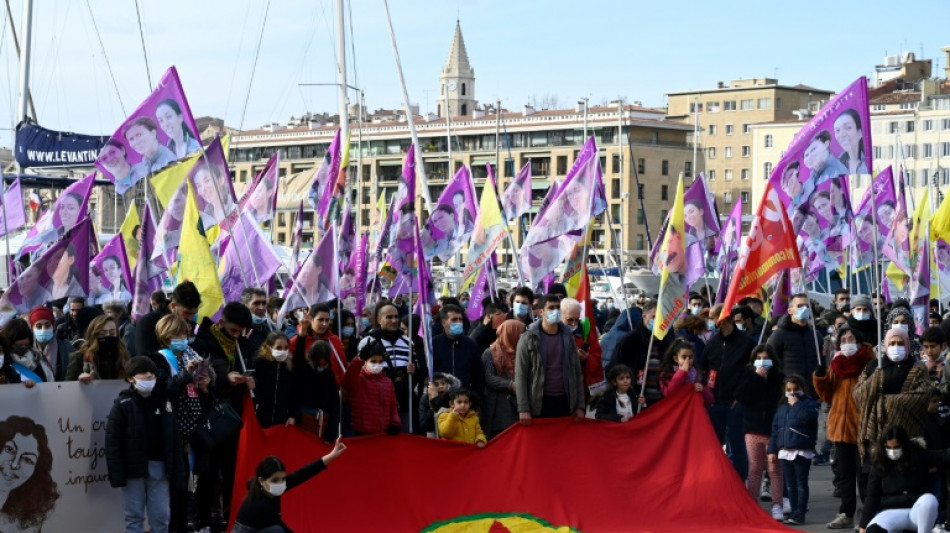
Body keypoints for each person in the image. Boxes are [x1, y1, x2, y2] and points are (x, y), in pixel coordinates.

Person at [191, 302, 255, 528]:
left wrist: (247, 380)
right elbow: (200, 377)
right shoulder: (205, 342)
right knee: (207, 471)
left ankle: (228, 515)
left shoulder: (242, 344)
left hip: (232, 416)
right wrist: (224, 379)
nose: (237, 335)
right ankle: (202, 517)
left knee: (231, 469)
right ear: (221, 322)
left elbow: (249, 364)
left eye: (241, 331)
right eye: (233, 330)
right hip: (209, 415)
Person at [105, 356, 186, 533]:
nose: (149, 376)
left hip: (160, 467)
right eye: (143, 373)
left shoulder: (164, 403)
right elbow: (113, 442)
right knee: (134, 517)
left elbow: (173, 440)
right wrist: (117, 474)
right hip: (133, 470)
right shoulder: (122, 404)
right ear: (130, 378)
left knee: (161, 516)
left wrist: (177, 469)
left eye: (152, 373)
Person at [813, 326, 875, 529]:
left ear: (859, 341)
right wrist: (820, 378)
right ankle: (846, 513)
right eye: (844, 339)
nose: (848, 342)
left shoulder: (869, 363)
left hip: (863, 428)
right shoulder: (836, 365)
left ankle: (869, 515)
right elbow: (827, 395)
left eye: (851, 338)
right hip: (840, 428)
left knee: (864, 475)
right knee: (845, 476)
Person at [232, 438, 346, 533]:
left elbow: (302, 474)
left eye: (283, 479)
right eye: (275, 480)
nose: (281, 483)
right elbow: (285, 530)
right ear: (261, 480)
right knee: (277, 531)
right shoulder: (261, 505)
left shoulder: (270, 489)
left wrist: (331, 455)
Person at [854, 327, 931, 465]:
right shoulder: (874, 367)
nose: (896, 347)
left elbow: (921, 396)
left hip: (909, 433)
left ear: (907, 345)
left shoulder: (917, 367)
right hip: (878, 434)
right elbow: (858, 395)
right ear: (886, 345)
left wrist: (883, 403)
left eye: (900, 343)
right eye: (892, 343)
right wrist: (874, 379)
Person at [859, 425, 950, 533]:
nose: (893, 451)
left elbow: (944, 456)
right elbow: (872, 496)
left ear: (904, 445)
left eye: (896, 447)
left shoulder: (918, 456)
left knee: (929, 500)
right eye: (889, 448)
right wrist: (863, 524)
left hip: (917, 512)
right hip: (890, 511)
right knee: (873, 530)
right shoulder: (879, 464)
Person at [514, 294, 586, 423]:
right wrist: (523, 408)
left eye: (558, 307)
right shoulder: (528, 337)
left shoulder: (568, 336)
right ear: (541, 312)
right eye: (551, 308)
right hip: (539, 401)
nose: (555, 311)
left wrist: (580, 405)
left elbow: (576, 371)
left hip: (565, 401)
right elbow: (520, 374)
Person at [704, 304, 756, 481]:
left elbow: (751, 373)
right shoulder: (712, 342)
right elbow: (705, 369)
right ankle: (717, 481)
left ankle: (740, 482)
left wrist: (739, 397)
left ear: (724, 319)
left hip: (735, 403)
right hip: (715, 402)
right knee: (715, 445)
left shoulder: (747, 343)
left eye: (713, 318)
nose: (711, 322)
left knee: (738, 445)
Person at [356, 302, 427, 433]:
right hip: (377, 402)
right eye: (389, 317)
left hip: (404, 400)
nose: (394, 320)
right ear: (379, 319)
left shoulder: (407, 342)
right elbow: (359, 371)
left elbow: (418, 370)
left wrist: (414, 370)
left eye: (396, 316)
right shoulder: (367, 341)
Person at [735, 345, 786, 521]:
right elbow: (741, 396)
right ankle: (752, 504)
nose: (763, 361)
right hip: (752, 429)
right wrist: (757, 378)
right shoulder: (748, 376)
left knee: (774, 469)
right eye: (760, 357)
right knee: (755, 468)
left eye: (766, 357)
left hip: (773, 430)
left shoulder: (779, 378)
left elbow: (782, 400)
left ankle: (777, 505)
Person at [768, 374, 819, 526]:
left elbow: (808, 418)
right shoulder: (782, 408)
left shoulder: (808, 404)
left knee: (801, 483)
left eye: (795, 389)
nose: (792, 392)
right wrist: (772, 450)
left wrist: (797, 404)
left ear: (802, 389)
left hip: (801, 449)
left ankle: (800, 513)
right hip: (785, 450)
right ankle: (794, 510)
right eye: (789, 389)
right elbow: (776, 430)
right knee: (789, 485)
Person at [0, 416, 59, 532]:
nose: (14, 465)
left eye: (27, 460)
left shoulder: (25, 520)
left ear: (36, 471)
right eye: (9, 449)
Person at [609, 300, 670, 407]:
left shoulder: (667, 339)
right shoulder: (630, 340)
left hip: (662, 401)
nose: (658, 321)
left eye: (661, 318)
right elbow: (615, 369)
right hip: (638, 402)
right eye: (654, 317)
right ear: (644, 315)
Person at [767, 293, 821, 398]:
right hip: (789, 393)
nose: (804, 309)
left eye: (807, 306)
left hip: (812, 393)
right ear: (790, 311)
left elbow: (822, 361)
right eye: (800, 306)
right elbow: (771, 363)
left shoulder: (816, 335)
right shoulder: (779, 335)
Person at [345, 339, 401, 435]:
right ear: (365, 362)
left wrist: (395, 422)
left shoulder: (388, 382)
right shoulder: (359, 380)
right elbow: (348, 378)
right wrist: (359, 359)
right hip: (362, 435)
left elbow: (393, 406)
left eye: (380, 362)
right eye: (373, 361)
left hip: (383, 434)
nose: (377, 365)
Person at [481, 319, 524, 439]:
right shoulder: (490, 353)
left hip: (516, 407)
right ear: (510, 334)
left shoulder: (522, 352)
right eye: (519, 334)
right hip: (497, 408)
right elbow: (489, 378)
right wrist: (510, 385)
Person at [136, 281, 200, 357]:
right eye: (187, 313)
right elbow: (145, 360)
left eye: (194, 313)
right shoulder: (148, 323)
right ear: (173, 306)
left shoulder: (192, 325)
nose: (190, 318)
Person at [293, 340, 341, 440]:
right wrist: (302, 336)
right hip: (303, 418)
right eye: (319, 363)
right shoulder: (303, 370)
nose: (322, 366)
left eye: (324, 363)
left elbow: (334, 404)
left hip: (323, 422)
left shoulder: (329, 375)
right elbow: (297, 359)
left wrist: (331, 435)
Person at [290, 305, 346, 390]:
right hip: (306, 393)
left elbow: (342, 365)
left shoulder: (334, 340)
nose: (324, 324)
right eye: (320, 320)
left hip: (331, 391)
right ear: (310, 319)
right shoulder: (297, 341)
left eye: (327, 320)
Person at [65, 315, 130, 382]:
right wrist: (79, 381)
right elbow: (68, 387)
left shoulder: (123, 356)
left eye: (112, 333)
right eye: (102, 334)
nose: (108, 336)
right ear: (94, 336)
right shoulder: (79, 357)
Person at [432, 304, 480, 390]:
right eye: (454, 319)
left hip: (465, 398)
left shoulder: (470, 344)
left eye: (460, 319)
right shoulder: (434, 344)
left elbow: (478, 374)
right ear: (444, 322)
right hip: (441, 397)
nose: (458, 322)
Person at [561, 297, 604, 388]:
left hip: (580, 384)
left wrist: (586, 358)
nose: (574, 324)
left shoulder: (586, 332)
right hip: (559, 385)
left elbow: (598, 358)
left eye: (577, 320)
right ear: (560, 316)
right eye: (570, 320)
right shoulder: (552, 333)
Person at [658, 339, 713, 406]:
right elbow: (669, 394)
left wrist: (702, 390)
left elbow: (710, 400)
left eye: (690, 357)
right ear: (676, 359)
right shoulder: (666, 374)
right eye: (684, 357)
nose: (687, 361)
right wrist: (682, 372)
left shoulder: (698, 374)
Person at [124, 116, 177, 182]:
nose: (136, 142)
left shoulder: (168, 161)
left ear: (153, 133)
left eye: (139, 135)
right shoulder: (146, 160)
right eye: (131, 139)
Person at [3, 318, 54, 385]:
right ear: (9, 343)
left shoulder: (37, 358)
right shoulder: (4, 364)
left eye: (26, 345)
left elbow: (50, 380)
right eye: (19, 346)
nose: (23, 348)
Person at [28, 306, 71, 381]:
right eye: (39, 326)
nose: (43, 329)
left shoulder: (65, 347)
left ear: (53, 326)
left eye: (47, 325)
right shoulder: (27, 348)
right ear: (32, 328)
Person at [191, 158, 236, 227]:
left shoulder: (236, 208)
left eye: (207, 181)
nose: (203, 189)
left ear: (221, 180)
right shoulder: (204, 218)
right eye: (199, 185)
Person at [834, 109, 867, 175]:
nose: (842, 135)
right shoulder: (837, 166)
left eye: (848, 128)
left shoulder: (869, 165)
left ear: (859, 133)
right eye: (837, 130)